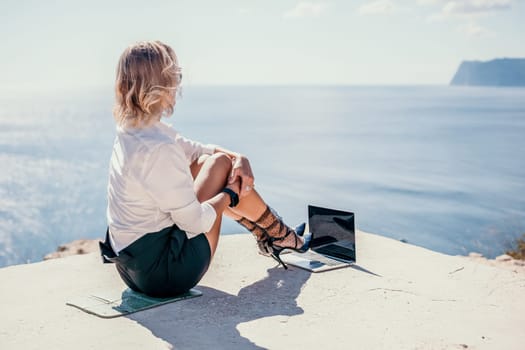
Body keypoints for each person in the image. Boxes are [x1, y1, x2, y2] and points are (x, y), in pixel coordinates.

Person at [99, 40, 312, 298]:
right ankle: (280, 235)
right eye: (175, 74)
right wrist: (231, 193)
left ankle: (273, 234)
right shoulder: (158, 148)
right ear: (163, 84)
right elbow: (197, 221)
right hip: (166, 276)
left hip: (133, 271)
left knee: (211, 162)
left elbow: (197, 151)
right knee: (220, 167)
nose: (178, 81)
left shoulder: (134, 130)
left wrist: (239, 157)